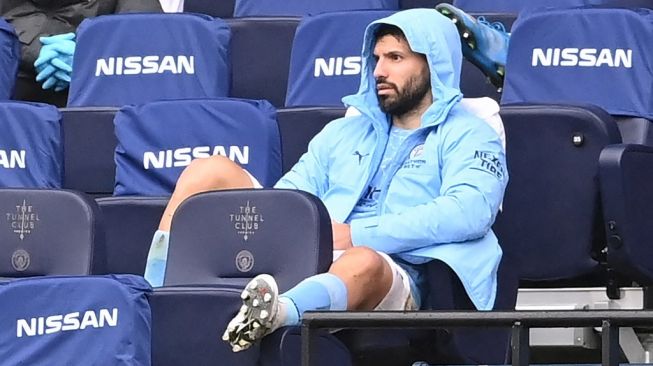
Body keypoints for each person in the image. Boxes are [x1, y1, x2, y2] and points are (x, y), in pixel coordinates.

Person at [143, 8, 508, 353]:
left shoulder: (471, 133)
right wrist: (277, 230)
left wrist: (357, 234)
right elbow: (292, 196)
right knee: (208, 171)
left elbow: (470, 211)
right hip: (308, 251)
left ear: (433, 63)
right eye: (377, 58)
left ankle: (277, 314)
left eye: (395, 58)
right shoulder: (343, 132)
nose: (379, 70)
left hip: (398, 271)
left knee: (363, 260)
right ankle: (152, 299)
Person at [0, 0, 162, 107]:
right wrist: (36, 50)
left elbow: (148, 36)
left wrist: (91, 59)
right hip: (17, 93)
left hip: (107, 103)